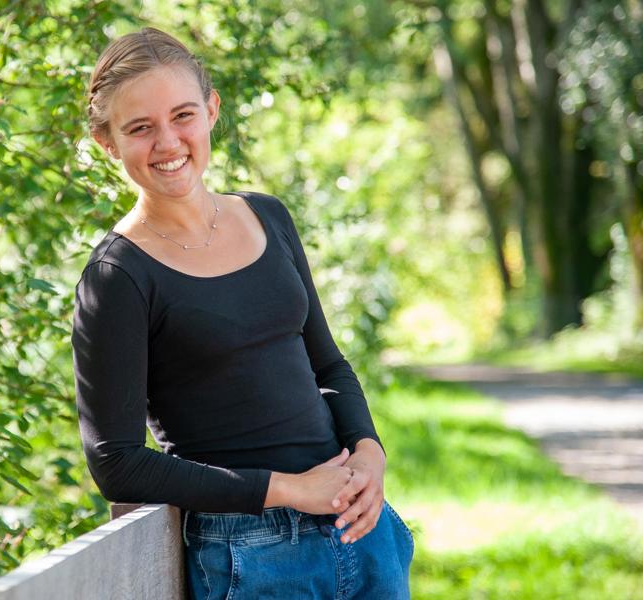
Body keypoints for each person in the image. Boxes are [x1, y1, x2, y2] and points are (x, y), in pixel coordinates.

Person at [70, 27, 414, 599]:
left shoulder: (267, 216)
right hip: (249, 557)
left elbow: (327, 365)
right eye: (139, 128)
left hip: (362, 530)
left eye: (182, 115)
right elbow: (118, 462)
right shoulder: (116, 278)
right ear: (108, 142)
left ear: (211, 111)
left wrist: (370, 454)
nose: (167, 142)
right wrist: (288, 490)